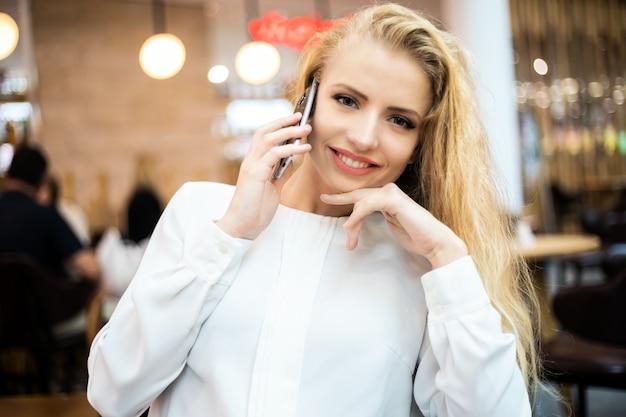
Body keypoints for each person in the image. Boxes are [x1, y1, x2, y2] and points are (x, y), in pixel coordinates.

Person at [87, 4, 540, 416]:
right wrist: (230, 233)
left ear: (420, 146)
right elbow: (113, 393)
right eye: (347, 100)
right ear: (307, 102)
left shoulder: (423, 265)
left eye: (399, 120)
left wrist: (448, 258)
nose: (364, 137)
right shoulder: (200, 212)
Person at [0, 145, 100, 283]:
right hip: (43, 303)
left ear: (7, 174)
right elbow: (91, 269)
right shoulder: (45, 216)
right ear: (42, 183)